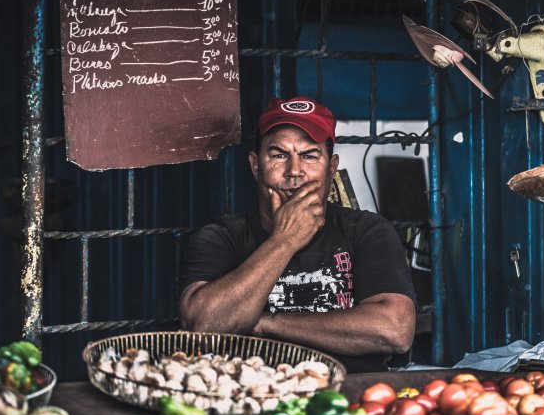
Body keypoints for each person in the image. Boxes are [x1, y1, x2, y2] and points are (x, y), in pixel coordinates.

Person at [178, 96, 416, 373]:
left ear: (331, 166)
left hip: (352, 396)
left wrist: (265, 322)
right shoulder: (220, 237)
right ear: (256, 166)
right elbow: (203, 327)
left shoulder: (366, 230)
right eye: (279, 155)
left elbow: (395, 330)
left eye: (309, 155)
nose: (294, 171)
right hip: (255, 397)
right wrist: (285, 240)